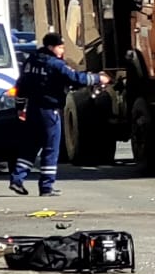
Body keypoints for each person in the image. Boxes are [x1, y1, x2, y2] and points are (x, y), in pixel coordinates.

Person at [9, 33, 109, 196]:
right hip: (49, 111)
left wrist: (20, 107)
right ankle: (46, 187)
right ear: (51, 47)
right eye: (60, 47)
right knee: (51, 147)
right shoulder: (55, 64)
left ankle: (17, 179)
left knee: (31, 146)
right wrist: (98, 78)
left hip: (33, 109)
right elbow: (75, 78)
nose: (62, 50)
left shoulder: (31, 61)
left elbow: (21, 86)